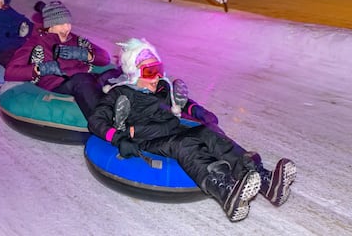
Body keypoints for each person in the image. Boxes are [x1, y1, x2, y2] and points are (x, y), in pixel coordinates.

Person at [88, 38, 296, 222]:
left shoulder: (162, 87)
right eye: (149, 71)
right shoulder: (121, 93)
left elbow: (182, 103)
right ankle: (225, 192)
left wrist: (197, 110)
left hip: (172, 129)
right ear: (134, 73)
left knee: (208, 134)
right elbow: (96, 120)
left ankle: (263, 179)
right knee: (184, 144)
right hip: (146, 139)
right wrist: (117, 138)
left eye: (158, 69)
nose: (155, 76)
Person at [4, 1, 120, 118]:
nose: (66, 28)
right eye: (61, 24)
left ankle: (127, 116)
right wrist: (41, 69)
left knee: (115, 73)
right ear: (50, 25)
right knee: (82, 80)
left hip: (85, 78)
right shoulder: (37, 43)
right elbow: (10, 72)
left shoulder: (76, 40)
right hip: (58, 84)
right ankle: (104, 123)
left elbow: (105, 58)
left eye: (68, 23)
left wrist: (84, 54)